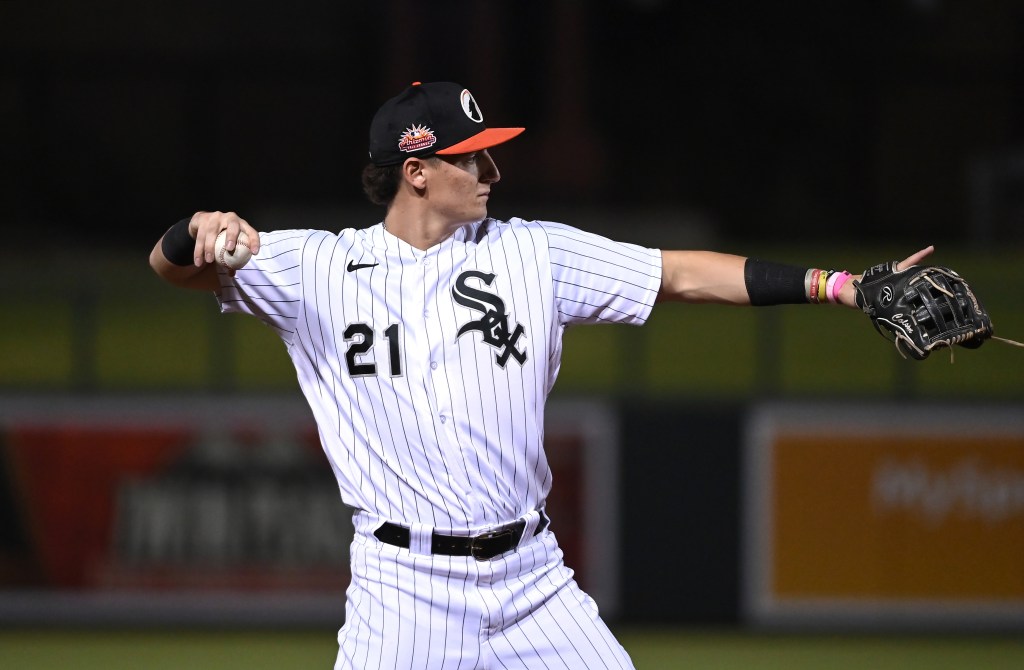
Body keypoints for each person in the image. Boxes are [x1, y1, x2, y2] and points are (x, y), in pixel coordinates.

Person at [149, 80, 933, 669]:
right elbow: (171, 269)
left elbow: (683, 274)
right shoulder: (316, 265)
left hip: (533, 580)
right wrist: (192, 232)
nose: (490, 168)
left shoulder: (535, 252)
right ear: (416, 171)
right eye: (470, 155)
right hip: (402, 587)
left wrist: (843, 287)